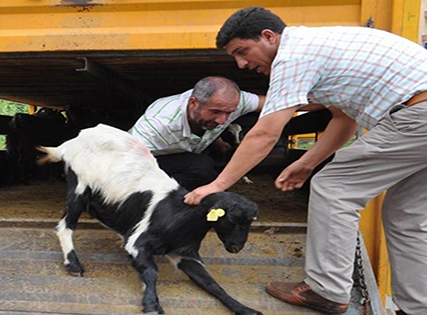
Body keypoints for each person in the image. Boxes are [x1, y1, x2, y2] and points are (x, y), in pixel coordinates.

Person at [183, 6, 427, 315]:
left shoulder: (293, 56)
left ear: (268, 37)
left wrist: (216, 185)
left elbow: (265, 134)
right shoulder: (320, 46)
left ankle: (326, 289)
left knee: (334, 186)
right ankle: (418, 307)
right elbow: (344, 118)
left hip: (417, 115)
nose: (242, 64)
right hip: (419, 114)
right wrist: (308, 162)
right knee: (406, 214)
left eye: (242, 52)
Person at [128, 76, 264, 190]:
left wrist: (220, 144)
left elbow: (273, 104)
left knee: (203, 165)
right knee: (202, 167)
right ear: (193, 103)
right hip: (142, 158)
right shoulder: (158, 125)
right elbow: (125, 161)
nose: (223, 121)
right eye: (215, 112)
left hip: (187, 152)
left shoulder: (232, 102)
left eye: (229, 113)